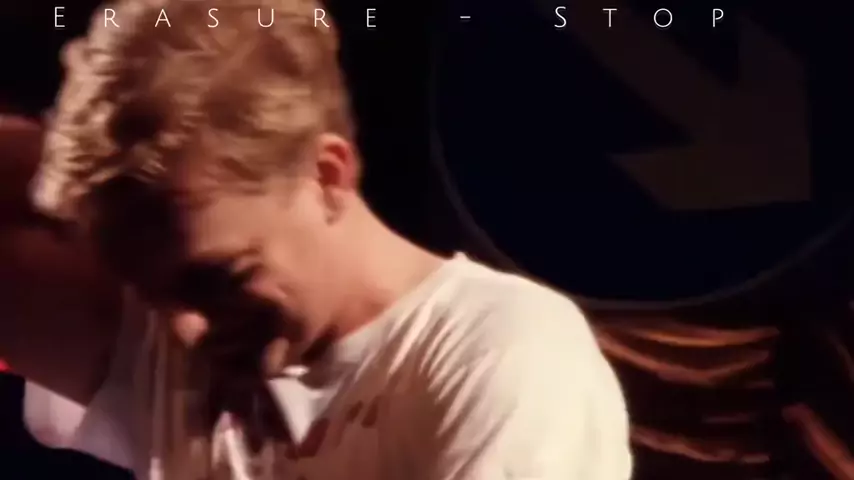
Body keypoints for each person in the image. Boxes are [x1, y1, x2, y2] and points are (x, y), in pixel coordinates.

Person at [5, 0, 633, 478]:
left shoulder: (505, 357)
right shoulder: (199, 334)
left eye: (223, 277)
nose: (186, 332)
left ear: (327, 174)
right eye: (155, 293)